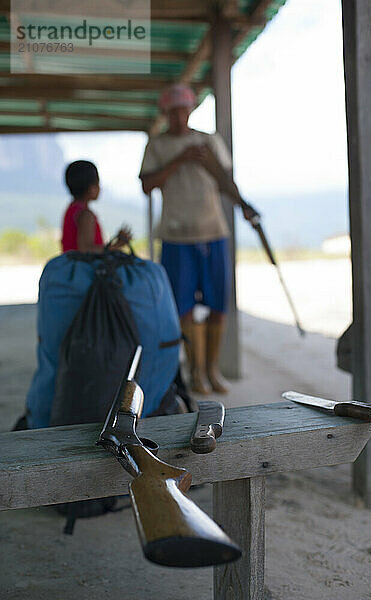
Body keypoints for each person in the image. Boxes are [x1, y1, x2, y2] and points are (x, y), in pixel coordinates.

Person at [139, 84, 254, 395]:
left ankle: (213, 369)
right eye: (172, 112)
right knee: (184, 307)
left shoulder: (208, 140)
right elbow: (147, 185)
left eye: (182, 110)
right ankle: (196, 372)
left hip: (213, 232)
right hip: (176, 237)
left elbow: (226, 179)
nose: (178, 117)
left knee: (218, 304)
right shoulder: (157, 146)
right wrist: (180, 159)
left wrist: (245, 206)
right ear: (165, 114)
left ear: (190, 110)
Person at [61, 160, 130, 253]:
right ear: (91, 187)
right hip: (84, 267)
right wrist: (116, 246)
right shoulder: (86, 214)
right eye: (97, 182)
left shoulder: (71, 210)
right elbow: (86, 249)